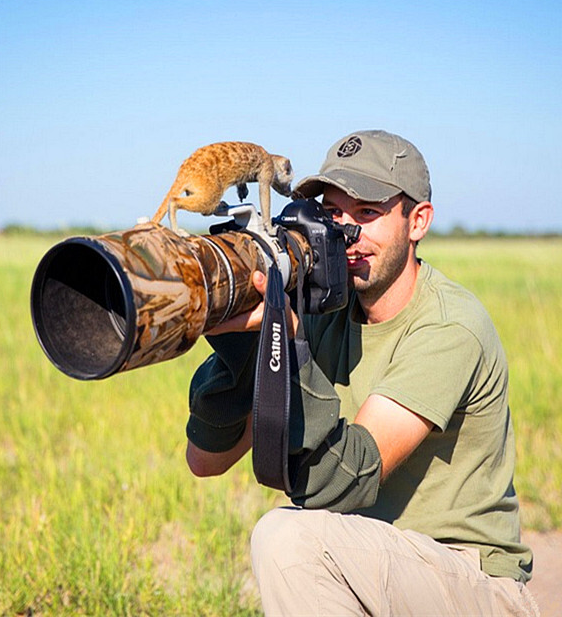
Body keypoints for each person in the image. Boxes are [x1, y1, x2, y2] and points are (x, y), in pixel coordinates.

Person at [184, 130, 539, 616]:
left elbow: (347, 479)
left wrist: (289, 344)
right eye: (332, 213)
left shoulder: (449, 324)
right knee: (297, 541)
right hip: (373, 567)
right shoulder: (325, 311)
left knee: (286, 539)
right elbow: (206, 460)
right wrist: (243, 343)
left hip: (472, 581)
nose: (345, 232)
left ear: (418, 222)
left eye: (367, 213)